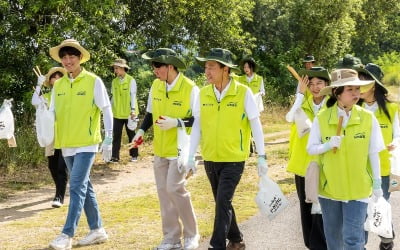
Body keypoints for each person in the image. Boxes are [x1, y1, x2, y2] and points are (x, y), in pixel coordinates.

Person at [188, 48, 268, 250]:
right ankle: (236, 240)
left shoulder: (243, 92)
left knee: (223, 200)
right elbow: (197, 125)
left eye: (211, 67)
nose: (207, 71)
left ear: (225, 69)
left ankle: (216, 245)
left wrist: (262, 156)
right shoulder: (204, 93)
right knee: (222, 202)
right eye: (206, 67)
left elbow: (256, 125)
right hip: (210, 158)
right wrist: (190, 156)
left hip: (234, 158)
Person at [307, 68, 385, 250]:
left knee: (353, 239)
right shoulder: (322, 118)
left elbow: (373, 153)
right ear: (337, 92)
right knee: (334, 240)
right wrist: (327, 145)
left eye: (357, 89)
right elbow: (311, 148)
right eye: (350, 89)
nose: (356, 93)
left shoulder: (368, 118)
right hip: (330, 190)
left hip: (359, 190)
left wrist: (377, 182)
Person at [130, 48, 200, 250]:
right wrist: (141, 131)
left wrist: (177, 122)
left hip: (179, 151)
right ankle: (171, 238)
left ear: (170, 66)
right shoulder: (155, 85)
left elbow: (198, 120)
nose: (154, 70)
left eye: (157, 66)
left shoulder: (190, 88)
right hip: (160, 149)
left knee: (175, 188)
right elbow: (151, 113)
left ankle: (191, 235)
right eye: (153, 66)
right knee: (163, 192)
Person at [48, 39, 112, 249]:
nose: (67, 61)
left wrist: (109, 137)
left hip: (87, 143)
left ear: (79, 58)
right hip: (66, 143)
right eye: (64, 57)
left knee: (76, 186)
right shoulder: (58, 84)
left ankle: (67, 235)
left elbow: (106, 109)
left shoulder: (93, 81)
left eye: (71, 56)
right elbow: (52, 113)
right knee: (85, 186)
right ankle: (97, 230)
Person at [285, 67, 330, 250]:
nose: (315, 87)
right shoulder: (303, 103)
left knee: (321, 209)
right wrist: (300, 95)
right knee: (306, 209)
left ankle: (320, 245)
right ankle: (311, 245)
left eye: (319, 83)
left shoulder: (333, 105)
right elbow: (289, 118)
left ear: (327, 85)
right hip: (302, 164)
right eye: (311, 84)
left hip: (325, 165)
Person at [358, 63, 398, 250]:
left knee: (380, 206)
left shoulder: (391, 109)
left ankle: (386, 238)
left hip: (382, 167)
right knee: (360, 210)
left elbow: (398, 134)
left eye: (363, 81)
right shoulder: (354, 108)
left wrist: (394, 144)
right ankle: (360, 245)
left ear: (373, 85)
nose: (358, 85)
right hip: (358, 167)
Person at [32, 67, 68, 208]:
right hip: (51, 135)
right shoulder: (46, 96)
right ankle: (59, 188)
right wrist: (38, 84)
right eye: (54, 76)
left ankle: (59, 196)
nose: (57, 78)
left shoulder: (66, 94)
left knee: (61, 166)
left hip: (65, 134)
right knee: (52, 165)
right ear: (50, 81)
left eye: (60, 76)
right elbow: (35, 101)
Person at [109, 58, 139, 163]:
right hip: (117, 113)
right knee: (116, 135)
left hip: (129, 113)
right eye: (114, 68)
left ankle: (134, 155)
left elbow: (133, 95)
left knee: (132, 134)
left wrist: (133, 110)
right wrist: (109, 109)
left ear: (123, 68)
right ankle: (115, 157)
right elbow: (113, 97)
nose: (115, 70)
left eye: (116, 68)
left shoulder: (131, 80)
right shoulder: (114, 81)